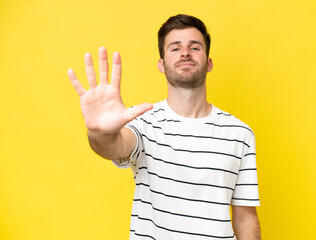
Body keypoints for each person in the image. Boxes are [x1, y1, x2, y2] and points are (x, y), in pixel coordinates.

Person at [67, 14, 261, 240]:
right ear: (162, 64)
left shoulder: (240, 134)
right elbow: (113, 147)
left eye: (195, 47)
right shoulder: (142, 123)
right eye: (175, 48)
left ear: (209, 63)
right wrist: (99, 131)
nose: (185, 53)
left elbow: (246, 217)